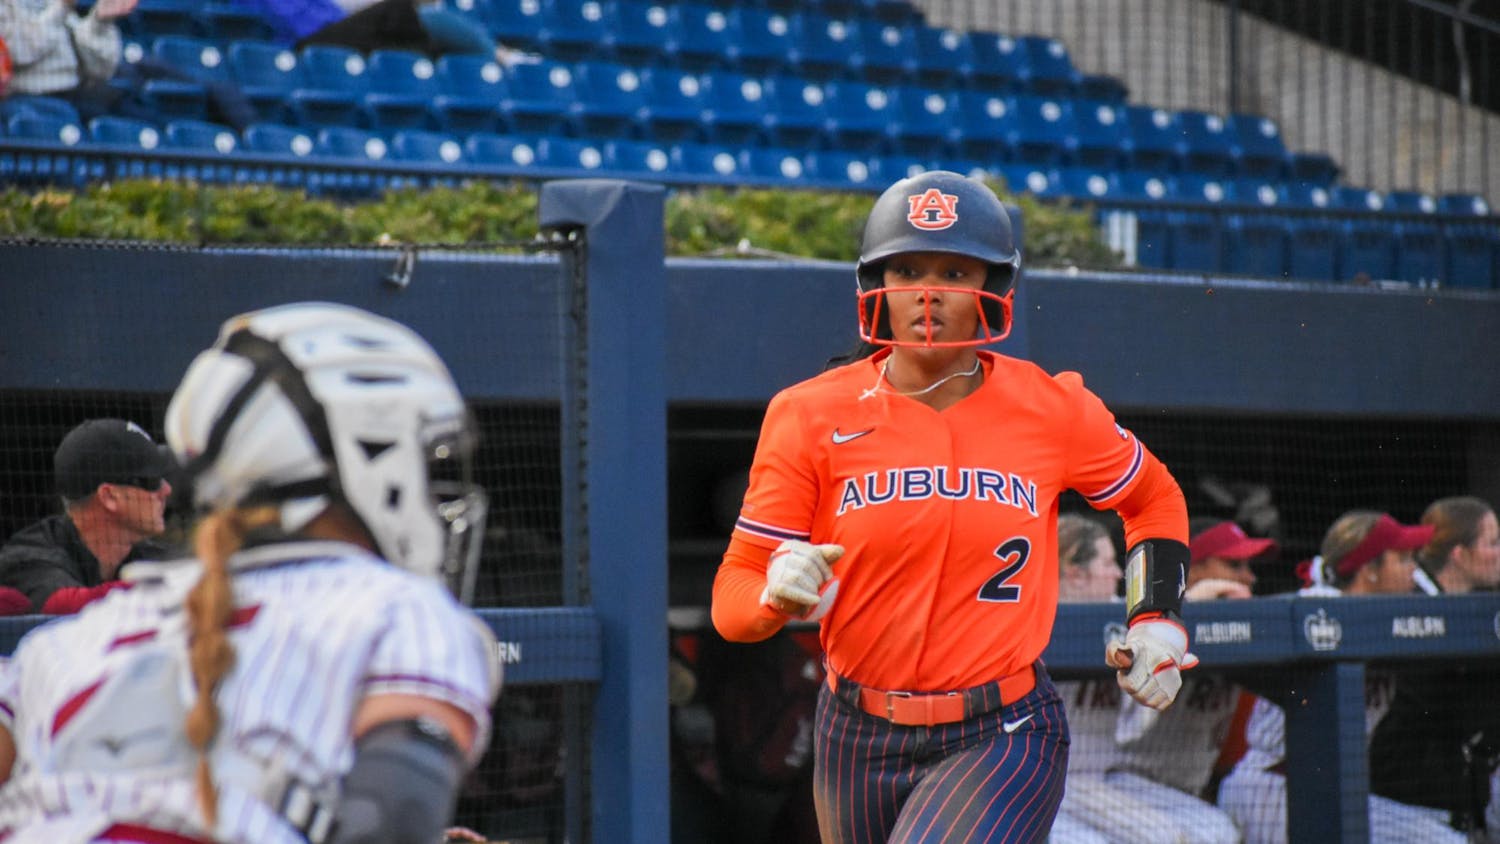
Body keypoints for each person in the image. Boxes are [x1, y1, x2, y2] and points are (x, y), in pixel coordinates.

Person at [710, 171, 1195, 843]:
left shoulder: (1053, 410)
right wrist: (774, 598)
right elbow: (731, 605)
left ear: (992, 290)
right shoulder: (809, 413)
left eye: (954, 270)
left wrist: (1156, 617)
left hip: (1003, 728)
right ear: (874, 284)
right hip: (854, 728)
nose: (929, 293)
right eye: (906, 268)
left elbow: (1153, 498)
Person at [0, 302, 500, 844]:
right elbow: (390, 821)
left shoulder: (70, 641)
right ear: (368, 456)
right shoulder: (398, 612)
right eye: (428, 462)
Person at [1219, 510, 1465, 843]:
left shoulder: (1395, 616)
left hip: (1334, 790)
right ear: (1369, 570)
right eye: (1403, 558)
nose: (1414, 569)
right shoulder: (1317, 606)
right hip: (1272, 787)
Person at [1054, 519, 1255, 844]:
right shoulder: (1038, 620)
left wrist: (1194, 598)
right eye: (1107, 563)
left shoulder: (1116, 613)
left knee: (1213, 832)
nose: (1118, 573)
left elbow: (1151, 620)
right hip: (1051, 783)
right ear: (1076, 573)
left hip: (1100, 780)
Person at [1368, 497, 1500, 834]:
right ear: (1459, 554)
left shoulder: (1470, 607)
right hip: (1391, 795)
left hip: (1440, 795)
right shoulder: (1411, 604)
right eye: (1493, 543)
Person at [0, 417, 175, 614]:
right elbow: (64, 606)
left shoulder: (152, 557)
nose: (166, 490)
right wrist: (175, 586)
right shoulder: (29, 555)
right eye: (152, 481)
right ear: (109, 497)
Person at [0, 0, 256, 130]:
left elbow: (102, 66)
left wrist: (100, 20)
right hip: (34, 97)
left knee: (155, 117)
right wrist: (61, 8)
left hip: (85, 90)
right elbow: (19, 52)